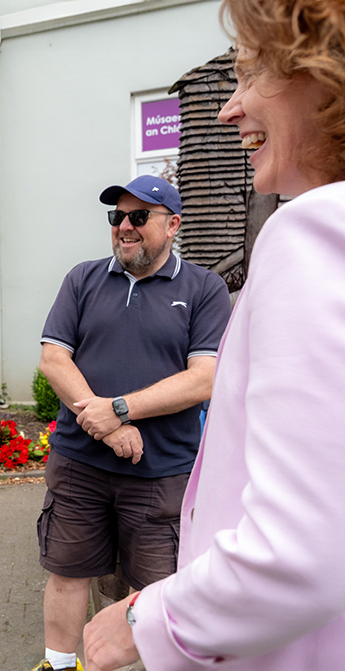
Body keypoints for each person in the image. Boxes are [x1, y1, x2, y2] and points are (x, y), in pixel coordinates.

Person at [82, 1, 345, 669]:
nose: (229, 108)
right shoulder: (86, 280)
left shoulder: (308, 234)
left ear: (326, 75)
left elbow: (298, 550)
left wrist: (146, 622)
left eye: (253, 73)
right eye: (118, 214)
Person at [32, 175, 231, 671]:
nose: (125, 226)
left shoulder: (204, 289)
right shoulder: (82, 278)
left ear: (173, 225)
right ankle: (58, 665)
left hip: (161, 474)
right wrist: (109, 426)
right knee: (66, 572)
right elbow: (54, 360)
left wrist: (120, 408)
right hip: (80, 465)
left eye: (139, 217)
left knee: (156, 592)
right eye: (117, 217)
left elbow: (204, 378)